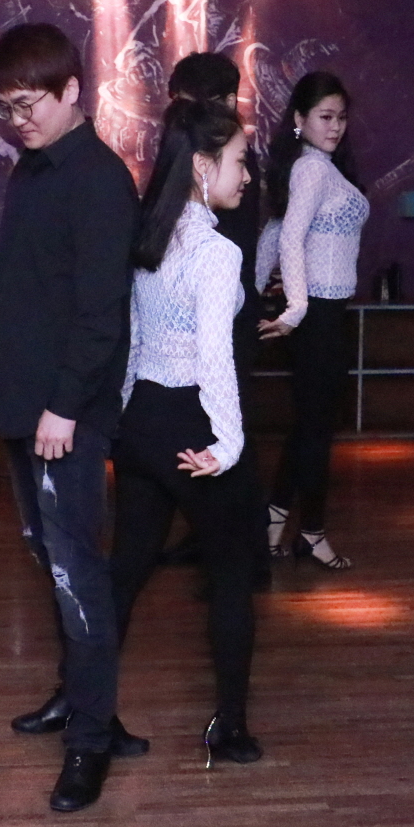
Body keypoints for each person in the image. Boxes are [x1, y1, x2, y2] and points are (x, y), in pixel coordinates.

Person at [0, 22, 140, 813]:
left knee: (76, 567)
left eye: (28, 104)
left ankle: (91, 740)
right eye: (5, 107)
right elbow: (10, 279)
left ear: (71, 90)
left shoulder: (101, 179)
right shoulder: (32, 169)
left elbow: (102, 313)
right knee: (48, 554)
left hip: (64, 412)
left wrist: (63, 407)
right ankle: (81, 699)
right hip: (23, 398)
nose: (18, 120)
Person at [110, 97, 264, 769]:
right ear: (203, 166)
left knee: (124, 572)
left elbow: (138, 339)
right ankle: (229, 729)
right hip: (194, 425)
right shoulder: (215, 252)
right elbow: (214, 360)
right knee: (232, 577)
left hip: (143, 420)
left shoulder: (151, 235)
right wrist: (228, 446)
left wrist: (125, 416)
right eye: (239, 162)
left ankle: (83, 705)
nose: (247, 176)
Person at [156, 52, 263, 572]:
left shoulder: (231, 170)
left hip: (226, 310)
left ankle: (240, 555)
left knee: (229, 431)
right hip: (201, 313)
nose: (177, 114)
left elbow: (230, 248)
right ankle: (222, 549)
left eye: (186, 102)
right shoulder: (194, 163)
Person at [257, 71, 367, 570]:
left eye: (341, 117)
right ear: (299, 119)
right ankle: (312, 534)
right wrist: (296, 309)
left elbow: (275, 233)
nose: (336, 126)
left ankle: (274, 521)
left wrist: (251, 291)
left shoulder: (316, 168)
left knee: (309, 427)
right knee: (318, 432)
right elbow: (289, 238)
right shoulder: (312, 169)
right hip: (317, 315)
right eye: (325, 116)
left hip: (324, 312)